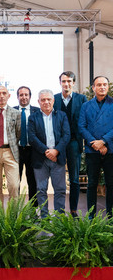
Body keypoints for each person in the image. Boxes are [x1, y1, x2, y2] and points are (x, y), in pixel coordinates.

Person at [28, 89, 70, 218]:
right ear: (38, 102)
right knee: (41, 190)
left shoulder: (62, 115)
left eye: (48, 99)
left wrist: (56, 150)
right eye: (43, 100)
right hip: (41, 159)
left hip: (58, 158)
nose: (46, 102)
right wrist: (46, 151)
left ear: (53, 101)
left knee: (60, 190)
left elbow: (66, 135)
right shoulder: (33, 117)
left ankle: (60, 218)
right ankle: (45, 218)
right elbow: (32, 137)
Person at [54, 71, 88, 217]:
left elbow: (86, 119)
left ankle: (73, 211)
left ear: (74, 83)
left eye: (69, 81)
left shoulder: (82, 99)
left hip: (74, 142)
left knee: (74, 179)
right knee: (58, 179)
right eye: (63, 81)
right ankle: (59, 211)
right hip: (58, 144)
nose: (66, 84)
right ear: (60, 83)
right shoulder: (54, 99)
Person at [78, 76, 113, 218]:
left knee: (111, 184)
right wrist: (95, 143)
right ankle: (91, 216)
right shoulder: (85, 106)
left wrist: (104, 141)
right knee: (92, 184)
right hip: (92, 150)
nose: (102, 87)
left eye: (105, 84)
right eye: (99, 85)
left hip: (110, 149)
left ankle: (111, 215)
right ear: (93, 88)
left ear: (108, 87)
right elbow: (81, 126)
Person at [0, 86, 20, 207]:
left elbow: (18, 133)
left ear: (8, 96)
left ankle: (13, 217)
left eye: (4, 93)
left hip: (10, 152)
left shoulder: (16, 113)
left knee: (13, 186)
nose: (1, 96)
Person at [14, 86, 38, 206]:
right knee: (15, 182)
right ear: (17, 97)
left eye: (26, 95)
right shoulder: (11, 111)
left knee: (33, 182)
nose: (24, 97)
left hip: (32, 151)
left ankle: (33, 212)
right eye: (21, 95)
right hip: (16, 150)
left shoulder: (37, 111)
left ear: (30, 96)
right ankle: (15, 211)